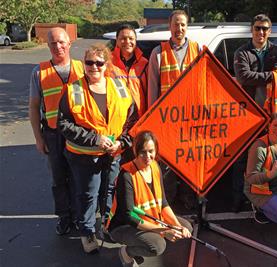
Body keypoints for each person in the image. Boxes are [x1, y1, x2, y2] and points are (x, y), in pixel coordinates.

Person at [58, 43, 138, 253]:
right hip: (85, 157)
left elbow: (132, 120)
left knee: (109, 191)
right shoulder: (73, 90)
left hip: (113, 153)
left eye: (99, 63)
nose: (94, 67)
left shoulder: (120, 88)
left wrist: (122, 142)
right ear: (84, 64)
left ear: (106, 65)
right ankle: (87, 232)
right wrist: (96, 139)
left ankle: (106, 225)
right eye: (89, 62)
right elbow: (64, 125)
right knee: (88, 194)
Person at [106, 131, 192, 266]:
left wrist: (177, 226)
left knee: (187, 228)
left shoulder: (155, 167)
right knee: (157, 246)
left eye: (151, 151)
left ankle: (142, 245)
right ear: (135, 151)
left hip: (150, 218)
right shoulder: (126, 175)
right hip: (123, 226)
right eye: (143, 152)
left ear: (156, 150)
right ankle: (127, 253)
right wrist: (163, 231)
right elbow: (130, 217)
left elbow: (163, 203)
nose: (147, 156)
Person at [29, 27, 84, 235]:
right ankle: (64, 217)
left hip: (79, 135)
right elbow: (34, 107)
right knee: (59, 179)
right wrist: (38, 138)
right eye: (53, 43)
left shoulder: (82, 68)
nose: (58, 47)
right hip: (53, 135)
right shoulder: (38, 72)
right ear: (48, 45)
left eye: (61, 42)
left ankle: (80, 217)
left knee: (79, 177)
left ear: (69, 43)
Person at [231, 14, 277, 212]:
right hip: (248, 113)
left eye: (264, 28)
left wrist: (271, 75)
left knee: (268, 157)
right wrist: (272, 75)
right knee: (243, 157)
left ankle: (263, 197)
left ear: (269, 31)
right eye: (257, 28)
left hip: (272, 114)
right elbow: (244, 77)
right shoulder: (241, 52)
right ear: (251, 30)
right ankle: (239, 198)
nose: (261, 32)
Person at [147, 9, 201, 209]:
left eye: (183, 24)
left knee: (189, 159)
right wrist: (153, 118)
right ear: (169, 26)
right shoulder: (158, 53)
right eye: (176, 24)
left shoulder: (198, 49)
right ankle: (167, 198)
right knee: (167, 161)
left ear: (187, 27)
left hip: (192, 118)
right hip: (167, 119)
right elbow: (152, 88)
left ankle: (187, 196)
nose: (179, 28)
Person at [109, 24, 148, 117]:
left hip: (139, 118)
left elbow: (150, 92)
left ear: (135, 40)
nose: (127, 42)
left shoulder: (145, 63)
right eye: (123, 38)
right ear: (116, 40)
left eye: (131, 38)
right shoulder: (107, 63)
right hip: (115, 117)